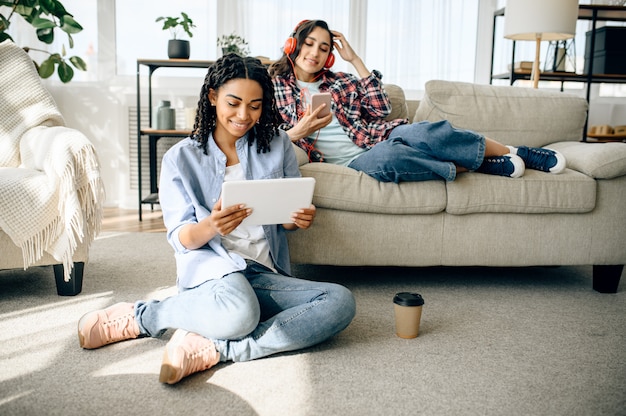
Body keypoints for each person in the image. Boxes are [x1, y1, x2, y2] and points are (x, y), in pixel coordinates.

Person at [77, 54, 356, 385]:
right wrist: (213, 225)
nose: (244, 115)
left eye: (255, 105)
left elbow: (284, 223)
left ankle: (217, 348)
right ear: (212, 97)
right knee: (241, 313)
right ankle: (142, 316)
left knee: (339, 302)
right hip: (215, 270)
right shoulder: (179, 158)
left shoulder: (277, 144)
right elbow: (180, 238)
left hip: (264, 271)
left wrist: (297, 218)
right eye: (234, 103)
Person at [269, 20, 566, 182]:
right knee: (389, 160)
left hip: (377, 136)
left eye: (323, 48)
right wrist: (298, 131)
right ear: (293, 44)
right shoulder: (272, 86)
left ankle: (520, 153)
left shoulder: (342, 80)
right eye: (308, 44)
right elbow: (265, 139)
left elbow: (381, 109)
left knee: (424, 132)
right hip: (354, 161)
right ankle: (478, 165)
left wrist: (355, 60)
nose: (315, 53)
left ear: (330, 55)